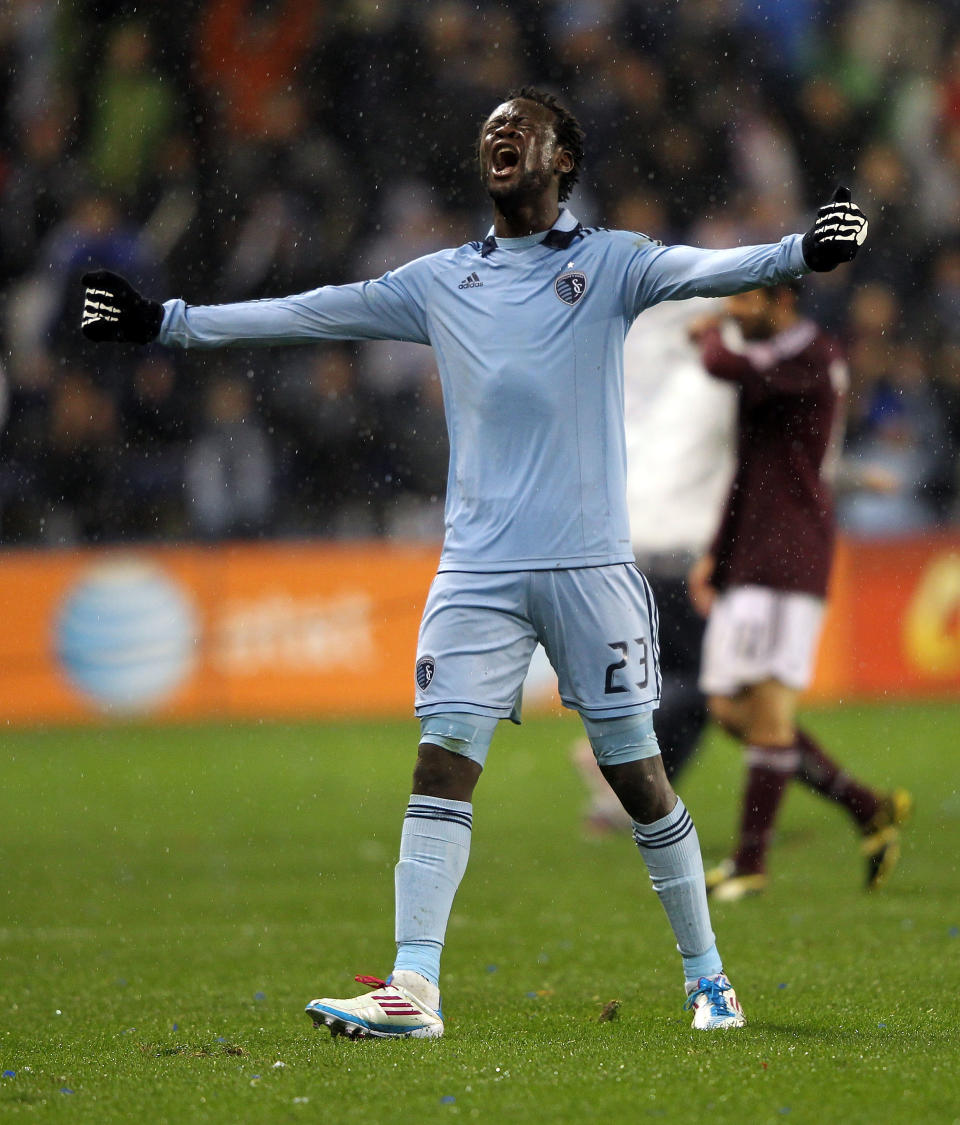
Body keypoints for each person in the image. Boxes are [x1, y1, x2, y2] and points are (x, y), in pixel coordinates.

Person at [80, 87, 868, 1036]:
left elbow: (711, 268)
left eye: (520, 129)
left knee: (639, 774)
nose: (500, 138)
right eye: (490, 131)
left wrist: (800, 253)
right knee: (442, 761)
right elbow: (305, 313)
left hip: (590, 570)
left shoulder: (612, 263)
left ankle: (708, 976)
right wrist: (163, 321)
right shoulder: (439, 279)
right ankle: (414, 985)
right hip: (478, 574)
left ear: (562, 159)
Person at [688, 284, 911, 904]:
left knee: (770, 710)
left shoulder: (811, 353)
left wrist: (706, 332)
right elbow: (749, 467)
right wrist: (719, 551)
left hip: (790, 553)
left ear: (781, 298)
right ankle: (867, 806)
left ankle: (750, 862)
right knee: (732, 709)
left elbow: (719, 362)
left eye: (743, 301)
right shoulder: (771, 365)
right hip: (755, 552)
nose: (732, 313)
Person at [572, 296, 737, 834]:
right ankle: (619, 767)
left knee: (677, 680)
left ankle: (630, 788)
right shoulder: (718, 381)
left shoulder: (658, 383)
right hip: (680, 558)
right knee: (709, 684)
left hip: (635, 549)